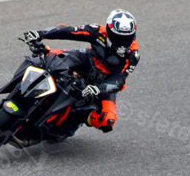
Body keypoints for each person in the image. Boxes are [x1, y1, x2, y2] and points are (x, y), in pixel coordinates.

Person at [21, 9, 139, 137]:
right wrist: (40, 34)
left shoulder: (133, 54)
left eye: (126, 38)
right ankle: (22, 90)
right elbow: (70, 31)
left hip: (104, 83)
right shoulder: (98, 31)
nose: (122, 42)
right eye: (119, 37)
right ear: (110, 32)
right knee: (45, 57)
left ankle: (76, 119)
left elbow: (119, 80)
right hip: (85, 61)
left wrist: (98, 89)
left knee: (107, 120)